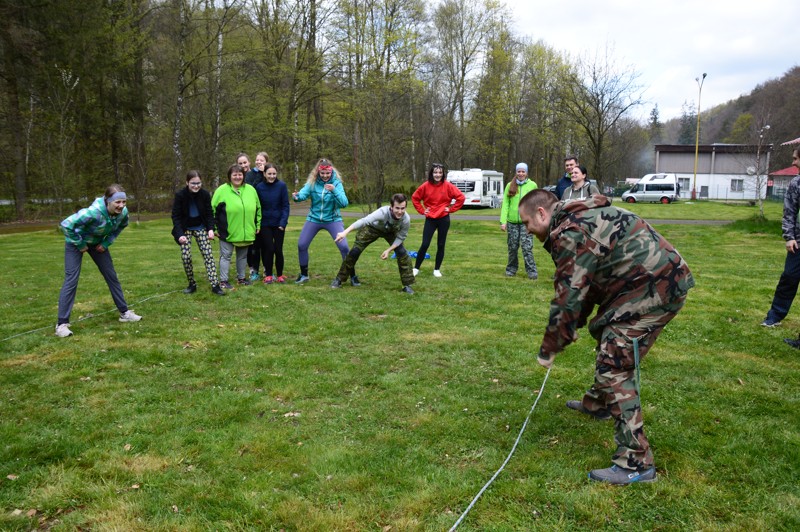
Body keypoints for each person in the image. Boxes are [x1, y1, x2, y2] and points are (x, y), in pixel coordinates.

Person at [518, 189, 694, 485]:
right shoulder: (577, 219)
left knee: (614, 364)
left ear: (541, 213)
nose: (527, 230)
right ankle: (598, 404)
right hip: (650, 284)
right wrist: (570, 327)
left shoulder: (571, 232)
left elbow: (569, 296)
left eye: (526, 222)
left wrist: (551, 346)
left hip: (655, 289)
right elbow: (584, 288)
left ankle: (636, 462)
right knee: (609, 342)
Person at [55, 184, 142, 337]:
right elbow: (66, 225)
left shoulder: (123, 213)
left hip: (98, 244)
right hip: (76, 242)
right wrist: (80, 244)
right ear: (108, 201)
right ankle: (61, 324)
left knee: (111, 276)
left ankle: (124, 313)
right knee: (71, 279)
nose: (121, 206)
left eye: (124, 202)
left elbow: (121, 226)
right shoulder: (93, 213)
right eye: (117, 202)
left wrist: (107, 242)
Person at [330, 193, 415, 294]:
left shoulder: (406, 219)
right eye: (397, 208)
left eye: (402, 208)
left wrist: (389, 250)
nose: (400, 212)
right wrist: (345, 232)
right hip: (372, 229)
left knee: (402, 253)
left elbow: (401, 237)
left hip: (391, 232)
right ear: (391, 207)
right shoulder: (382, 212)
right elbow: (364, 221)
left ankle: (407, 285)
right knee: (355, 251)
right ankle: (339, 279)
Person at [292, 158, 353, 284]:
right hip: (314, 219)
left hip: (333, 219)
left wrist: (334, 190)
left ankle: (352, 275)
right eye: (322, 173)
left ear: (331, 172)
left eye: (327, 173)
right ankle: (304, 275)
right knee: (301, 245)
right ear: (318, 173)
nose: (325, 176)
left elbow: (344, 203)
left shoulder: (337, 184)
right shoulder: (312, 183)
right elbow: (303, 194)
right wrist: (297, 197)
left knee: (344, 247)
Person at [171, 170, 225, 296]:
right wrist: (180, 235)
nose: (196, 186)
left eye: (198, 183)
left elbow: (209, 213)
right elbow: (176, 216)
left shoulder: (205, 194)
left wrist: (211, 229)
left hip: (201, 227)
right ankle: (191, 284)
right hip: (185, 229)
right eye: (193, 183)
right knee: (186, 257)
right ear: (187, 183)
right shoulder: (180, 195)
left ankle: (215, 285)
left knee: (208, 255)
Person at [765, 148, 800, 328]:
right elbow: (789, 212)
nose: (793, 162)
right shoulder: (796, 184)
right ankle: (774, 316)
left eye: (796, 159)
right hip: (798, 245)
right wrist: (789, 236)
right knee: (789, 278)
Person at [411, 163, 465, 277]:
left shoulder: (448, 186)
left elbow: (461, 197)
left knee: (441, 244)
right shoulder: (425, 186)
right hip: (430, 219)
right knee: (425, 244)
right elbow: (415, 198)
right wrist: (422, 210)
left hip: (443, 219)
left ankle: (436, 269)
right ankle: (416, 268)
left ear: (443, 174)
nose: (438, 175)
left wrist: (450, 209)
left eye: (440, 172)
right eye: (435, 172)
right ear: (431, 173)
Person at [212, 164, 261, 289]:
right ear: (229, 176)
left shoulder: (251, 189)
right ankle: (223, 280)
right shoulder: (221, 191)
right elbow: (212, 210)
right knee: (226, 256)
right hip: (227, 231)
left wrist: (257, 225)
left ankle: (241, 278)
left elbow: (258, 208)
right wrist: (214, 228)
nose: (237, 177)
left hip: (245, 231)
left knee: (243, 256)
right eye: (235, 175)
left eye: (240, 174)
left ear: (243, 176)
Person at [500, 162, 539, 279]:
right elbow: (505, 204)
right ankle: (511, 269)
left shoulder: (532, 185)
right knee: (512, 247)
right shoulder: (509, 185)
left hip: (526, 223)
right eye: (519, 171)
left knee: (527, 247)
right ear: (516, 172)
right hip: (512, 223)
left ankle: (532, 272)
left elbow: (536, 204)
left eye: (523, 171)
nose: (521, 173)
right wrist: (503, 221)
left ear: (526, 173)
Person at [255, 163, 290, 284]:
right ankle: (268, 275)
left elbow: (285, 206)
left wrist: (283, 223)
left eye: (274, 174)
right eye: (269, 174)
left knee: (278, 250)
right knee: (269, 249)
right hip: (265, 223)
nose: (272, 176)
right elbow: (257, 206)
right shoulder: (259, 187)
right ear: (264, 174)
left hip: (279, 223)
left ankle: (280, 275)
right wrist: (258, 223)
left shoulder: (282, 186)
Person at [245, 152, 268, 281]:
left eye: (262, 160)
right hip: (252, 214)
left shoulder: (268, 172)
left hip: (265, 214)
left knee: (265, 245)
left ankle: (266, 268)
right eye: (257, 160)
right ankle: (254, 270)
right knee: (253, 246)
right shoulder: (250, 174)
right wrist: (259, 174)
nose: (259, 162)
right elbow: (252, 189)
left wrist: (264, 173)